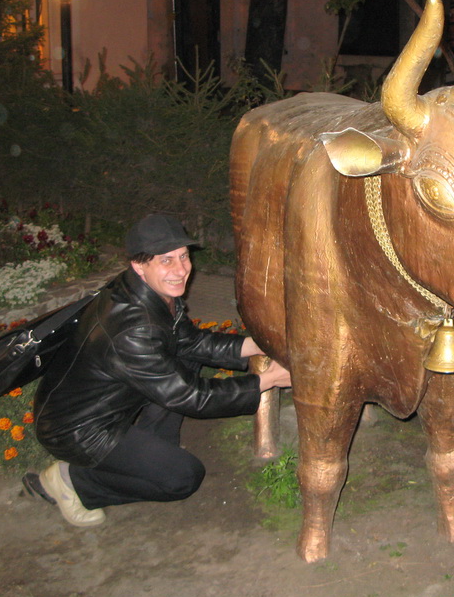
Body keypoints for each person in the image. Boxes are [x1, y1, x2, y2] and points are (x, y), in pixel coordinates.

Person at [22, 213, 291, 527]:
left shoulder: (143, 291)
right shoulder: (133, 329)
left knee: (184, 358)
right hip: (79, 429)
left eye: (183, 256)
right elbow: (191, 397)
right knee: (182, 477)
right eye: (166, 260)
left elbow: (189, 342)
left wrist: (255, 345)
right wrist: (267, 380)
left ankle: (153, 449)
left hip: (101, 403)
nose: (181, 270)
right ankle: (72, 481)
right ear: (140, 265)